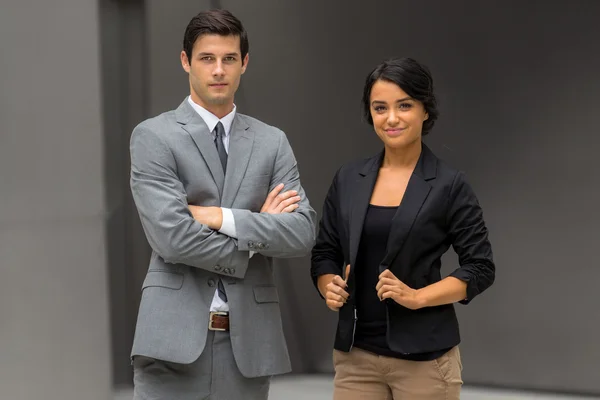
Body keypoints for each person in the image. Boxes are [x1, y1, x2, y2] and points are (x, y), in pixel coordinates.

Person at [129, 9, 316, 400]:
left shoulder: (272, 142)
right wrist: (258, 232)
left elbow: (301, 233)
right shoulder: (153, 137)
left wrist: (222, 217)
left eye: (229, 59)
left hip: (248, 348)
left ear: (244, 63)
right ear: (186, 61)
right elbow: (173, 238)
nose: (218, 70)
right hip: (171, 346)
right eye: (207, 58)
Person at [310, 57, 495, 399]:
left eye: (404, 105)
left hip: (426, 362)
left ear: (425, 110)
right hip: (356, 358)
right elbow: (325, 252)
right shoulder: (349, 178)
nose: (391, 118)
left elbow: (480, 268)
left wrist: (417, 297)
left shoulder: (449, 184)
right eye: (380, 107)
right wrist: (328, 285)